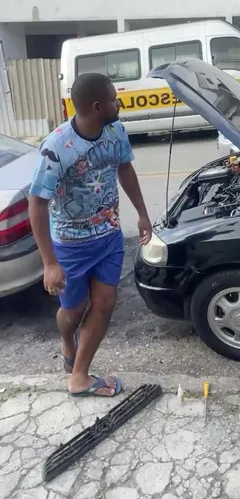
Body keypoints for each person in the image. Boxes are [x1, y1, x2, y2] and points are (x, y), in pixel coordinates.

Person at [28, 73, 152, 398]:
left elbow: (125, 169)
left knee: (105, 303)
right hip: (71, 245)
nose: (118, 103)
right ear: (97, 107)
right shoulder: (56, 147)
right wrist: (49, 263)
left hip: (109, 236)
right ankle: (67, 342)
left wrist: (142, 213)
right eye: (113, 99)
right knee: (73, 309)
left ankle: (79, 376)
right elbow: (37, 204)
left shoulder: (116, 131)